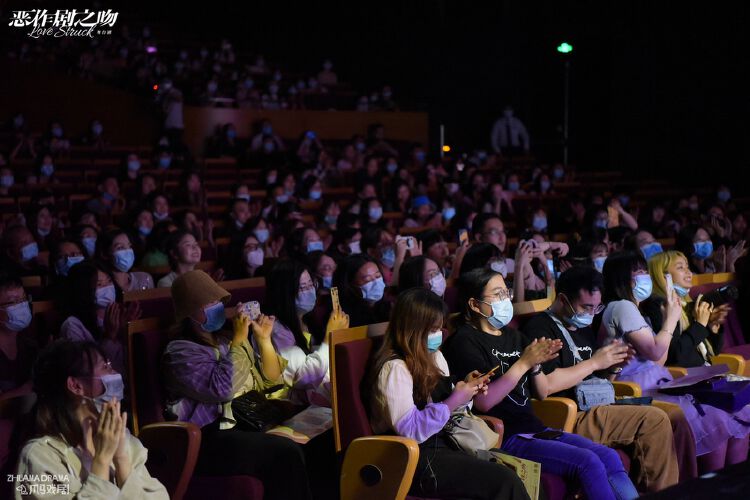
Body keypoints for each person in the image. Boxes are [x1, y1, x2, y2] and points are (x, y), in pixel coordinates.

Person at [444, 268, 639, 500]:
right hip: (502, 436)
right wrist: (525, 363)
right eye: (497, 295)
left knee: (607, 456)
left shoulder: (514, 336)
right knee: (588, 462)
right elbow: (484, 402)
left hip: (534, 429)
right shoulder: (464, 341)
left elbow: (541, 391)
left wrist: (536, 365)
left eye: (506, 293)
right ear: (475, 305)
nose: (506, 300)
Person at [521, 266, 679, 492]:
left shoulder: (582, 326)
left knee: (672, 413)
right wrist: (595, 362)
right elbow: (547, 385)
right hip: (568, 413)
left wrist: (612, 367)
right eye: (586, 307)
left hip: (595, 406)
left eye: (597, 307)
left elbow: (593, 377)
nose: (592, 314)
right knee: (654, 420)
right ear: (563, 299)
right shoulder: (540, 328)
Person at [161, 270, 312, 500]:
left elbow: (270, 381)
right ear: (189, 312)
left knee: (315, 441)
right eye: (209, 303)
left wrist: (263, 340)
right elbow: (223, 389)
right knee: (285, 453)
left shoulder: (224, 340)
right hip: (206, 438)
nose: (218, 307)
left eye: (219, 301)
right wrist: (240, 340)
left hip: (245, 422)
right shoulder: (180, 352)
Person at [366, 288, 529, 500]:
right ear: (413, 329)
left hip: (448, 443)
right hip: (416, 458)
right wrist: (454, 400)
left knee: (520, 469)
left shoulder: (435, 357)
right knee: (505, 480)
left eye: (440, 327)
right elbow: (409, 430)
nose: (439, 334)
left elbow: (449, 411)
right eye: (432, 329)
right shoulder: (395, 368)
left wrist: (467, 391)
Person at [600, 251, 750, 470]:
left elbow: (658, 361)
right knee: (715, 416)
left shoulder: (636, 309)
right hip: (636, 389)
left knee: (735, 409)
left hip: (658, 380)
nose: (644, 276)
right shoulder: (621, 306)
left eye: (644, 271)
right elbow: (656, 352)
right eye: (638, 272)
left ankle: (732, 486)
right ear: (621, 278)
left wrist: (705, 326)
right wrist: (670, 319)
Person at [15, 340, 168, 499]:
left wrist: (121, 460)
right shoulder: (39, 456)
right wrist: (101, 461)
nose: (115, 373)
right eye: (105, 367)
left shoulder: (123, 439)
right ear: (75, 386)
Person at [58, 262, 139, 375]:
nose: (108, 288)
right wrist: (109, 337)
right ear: (83, 290)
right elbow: (89, 370)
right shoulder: (72, 325)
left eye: (109, 281)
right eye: (100, 285)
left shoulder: (120, 314)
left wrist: (124, 332)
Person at [0, 274, 36, 399]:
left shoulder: (29, 343)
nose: (21, 306)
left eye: (23, 299)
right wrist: (24, 390)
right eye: (14, 302)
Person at [333, 254, 391, 327]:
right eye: (368, 280)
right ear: (350, 286)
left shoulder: (390, 307)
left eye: (378, 276)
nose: (376, 283)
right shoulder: (342, 317)